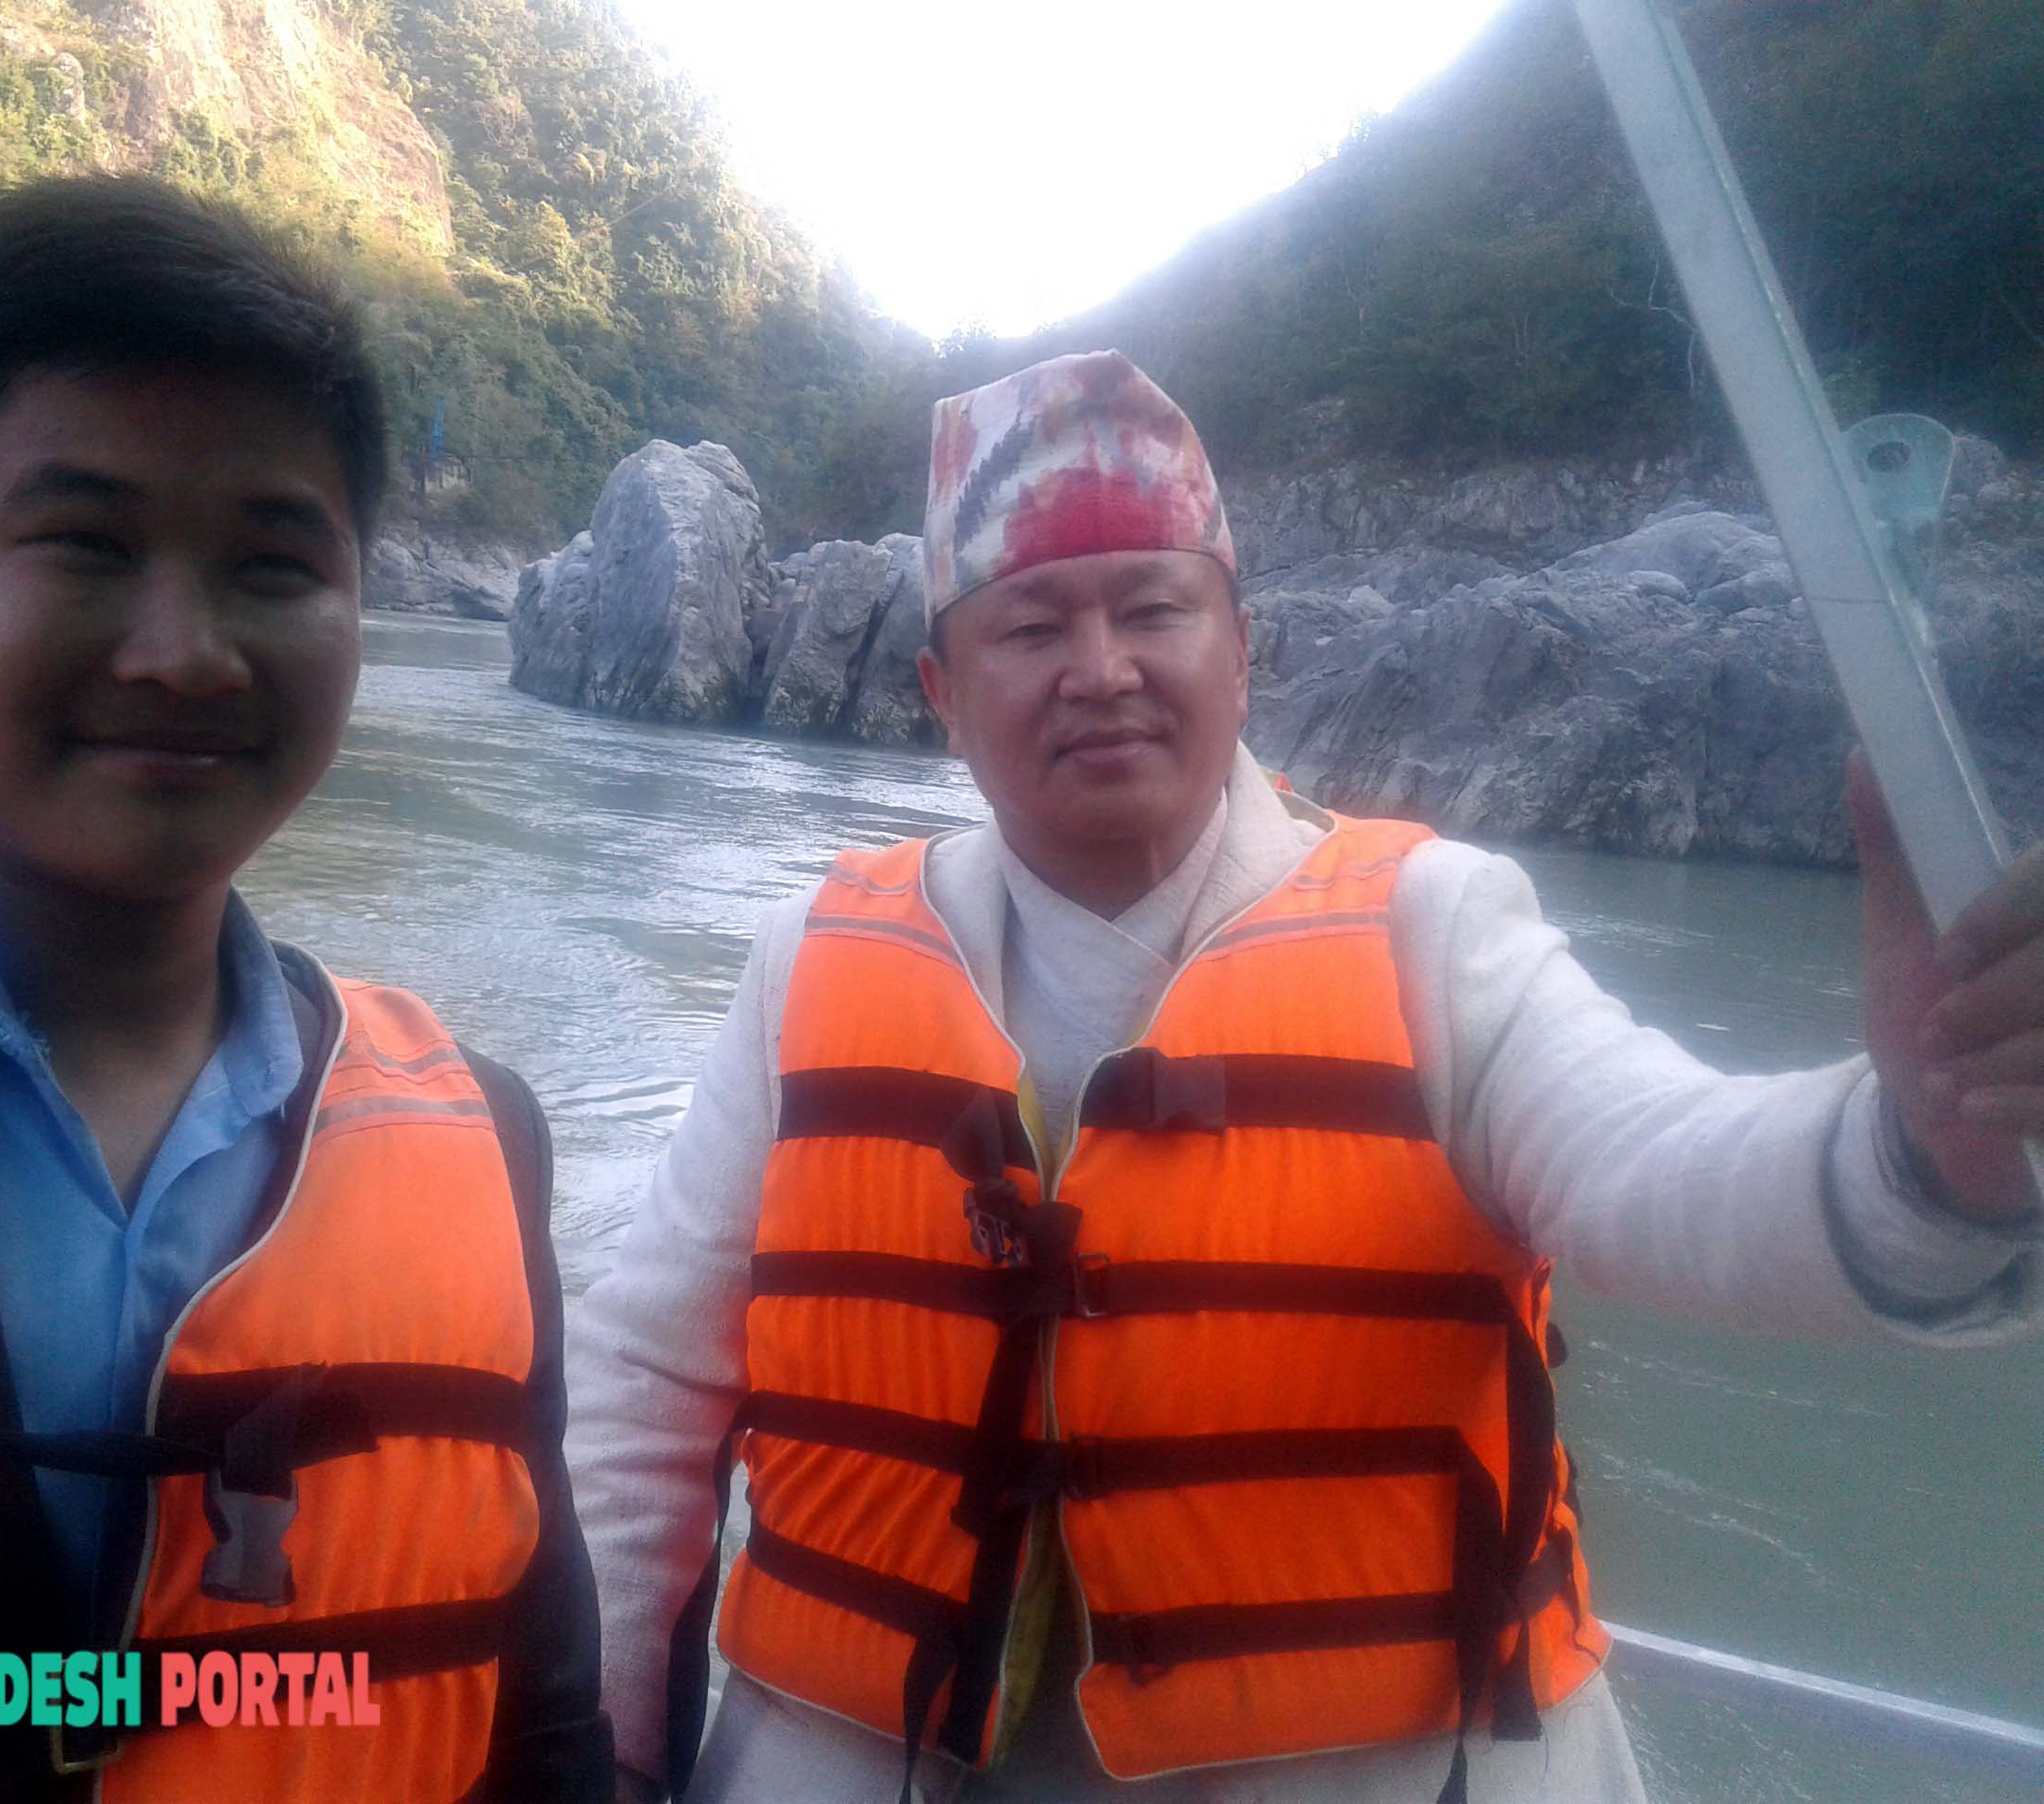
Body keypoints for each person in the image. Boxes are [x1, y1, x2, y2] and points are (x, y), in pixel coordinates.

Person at [564, 350, 2044, 1804]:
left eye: (1156, 608)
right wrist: (612, 1752)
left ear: (1243, 649)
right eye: (1032, 628)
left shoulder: (1436, 932)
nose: (1103, 671)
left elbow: (1665, 1169)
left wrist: (1927, 1137)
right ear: (943, 690)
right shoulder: (810, 964)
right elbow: (641, 1394)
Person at [0, 177, 613, 1802]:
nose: (187, 654)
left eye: (274, 563)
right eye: (85, 543)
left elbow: (543, 1726)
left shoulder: (477, 1149)